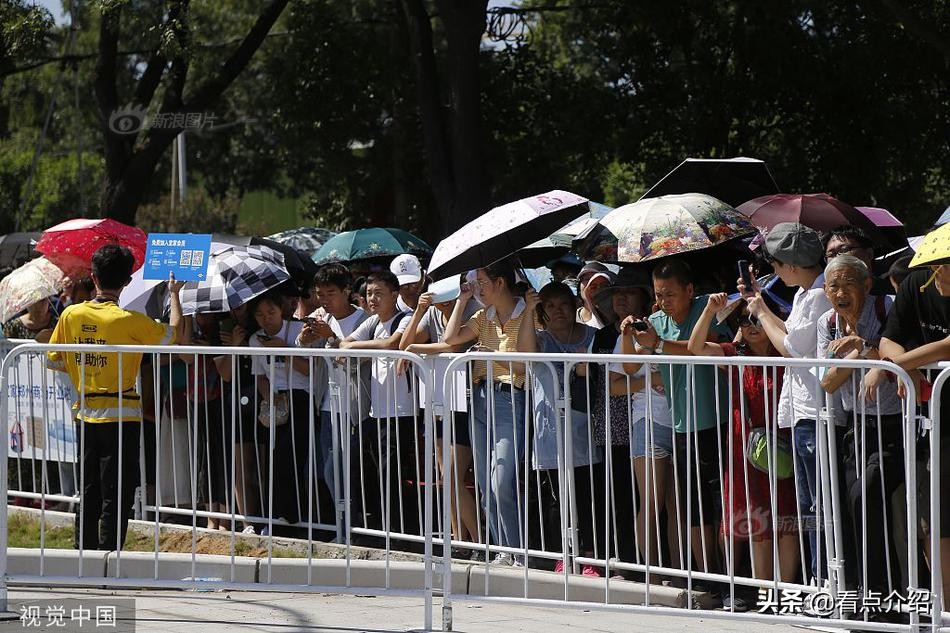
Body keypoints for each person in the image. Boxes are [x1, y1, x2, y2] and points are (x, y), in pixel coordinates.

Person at [47, 244, 185, 550]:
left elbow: (53, 358)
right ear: (126, 282)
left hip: (85, 412)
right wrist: (174, 294)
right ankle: (109, 556)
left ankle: (84, 554)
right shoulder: (128, 320)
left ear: (93, 278)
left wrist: (82, 367)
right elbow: (175, 334)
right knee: (118, 489)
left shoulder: (70, 314)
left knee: (89, 487)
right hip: (122, 416)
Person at [630, 258, 732, 602]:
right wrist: (629, 334)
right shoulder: (655, 320)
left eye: (670, 294)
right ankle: (710, 578)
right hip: (681, 425)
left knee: (723, 505)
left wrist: (657, 344)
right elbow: (631, 365)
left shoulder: (709, 307)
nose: (663, 301)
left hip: (718, 420)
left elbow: (698, 348)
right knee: (693, 507)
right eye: (658, 294)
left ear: (690, 290)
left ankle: (734, 576)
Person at [739, 222, 831, 584]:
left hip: (814, 412)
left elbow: (793, 348)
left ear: (791, 264)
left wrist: (761, 312)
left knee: (815, 506)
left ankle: (825, 582)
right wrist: (761, 304)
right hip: (802, 412)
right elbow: (792, 335)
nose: (774, 270)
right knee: (808, 505)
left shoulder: (820, 295)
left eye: (776, 263)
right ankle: (818, 581)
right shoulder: (805, 294)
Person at [687, 293, 798, 583]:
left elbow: (787, 336)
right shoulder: (735, 354)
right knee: (757, 524)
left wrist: (762, 310)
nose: (750, 326)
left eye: (755, 319)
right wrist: (710, 310)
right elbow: (695, 347)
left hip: (785, 444)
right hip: (746, 448)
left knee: (788, 521)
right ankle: (764, 593)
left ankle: (787, 591)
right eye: (743, 321)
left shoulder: (787, 353)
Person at [817, 254, 903, 597]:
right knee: (854, 503)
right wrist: (858, 355)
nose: (840, 292)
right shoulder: (829, 323)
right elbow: (827, 381)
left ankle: (887, 589)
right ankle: (868, 592)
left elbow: (899, 356)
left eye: (848, 283)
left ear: (867, 285)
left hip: (896, 425)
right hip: (856, 427)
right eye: (833, 286)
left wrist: (866, 347)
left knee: (863, 494)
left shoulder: (888, 308)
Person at [865, 261, 950, 602]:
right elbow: (888, 340)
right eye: (939, 264)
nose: (941, 271)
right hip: (936, 419)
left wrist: (895, 366)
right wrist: (908, 369)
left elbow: (948, 345)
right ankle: (944, 609)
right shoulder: (918, 282)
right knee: (937, 518)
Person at [443, 261, 532, 565]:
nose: (477, 288)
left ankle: (518, 552)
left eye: (481, 282)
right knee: (485, 484)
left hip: (510, 398)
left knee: (501, 481)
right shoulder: (483, 316)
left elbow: (523, 365)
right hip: (480, 399)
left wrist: (492, 356)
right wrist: (462, 300)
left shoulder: (525, 313)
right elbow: (450, 339)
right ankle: (504, 551)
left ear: (500, 283)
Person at [517, 281, 601, 575]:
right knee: (556, 498)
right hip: (550, 432)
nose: (558, 311)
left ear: (574, 305)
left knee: (587, 495)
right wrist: (528, 310)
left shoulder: (592, 336)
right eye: (550, 306)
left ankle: (589, 555)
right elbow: (524, 352)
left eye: (563, 304)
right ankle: (561, 555)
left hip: (585, 431)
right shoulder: (540, 339)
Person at [398, 276, 480, 549]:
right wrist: (419, 311)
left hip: (464, 400)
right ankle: (459, 540)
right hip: (440, 399)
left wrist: (416, 349)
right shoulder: (431, 310)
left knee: (454, 477)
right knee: (445, 477)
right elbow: (403, 346)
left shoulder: (471, 307)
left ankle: (480, 542)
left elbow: (453, 343)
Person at [340, 271, 419, 537]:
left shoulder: (405, 318)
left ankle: (399, 532)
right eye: (369, 293)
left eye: (378, 293)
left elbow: (392, 343)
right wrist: (354, 346)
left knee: (392, 472)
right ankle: (381, 528)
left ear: (395, 295)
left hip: (402, 410)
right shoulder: (372, 321)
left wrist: (356, 346)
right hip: (376, 412)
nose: (372, 299)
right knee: (373, 471)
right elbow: (344, 343)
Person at [298, 263, 370, 524]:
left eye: (330, 293)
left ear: (347, 291)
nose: (325, 300)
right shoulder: (321, 317)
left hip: (355, 406)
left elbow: (353, 360)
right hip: (327, 403)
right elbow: (306, 350)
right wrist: (304, 340)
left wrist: (330, 337)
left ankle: (352, 526)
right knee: (328, 470)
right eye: (320, 294)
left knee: (342, 468)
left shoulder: (364, 319)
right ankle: (342, 526)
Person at [248, 290, 318, 530]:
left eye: (271, 312)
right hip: (275, 401)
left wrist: (282, 349)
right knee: (274, 458)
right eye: (260, 314)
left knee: (291, 457)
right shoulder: (255, 339)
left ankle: (294, 516)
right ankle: (275, 514)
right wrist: (272, 400)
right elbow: (260, 378)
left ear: (281, 311)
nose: (266, 318)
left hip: (300, 396)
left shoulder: (297, 330)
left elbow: (307, 370)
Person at [576, 263, 614, 328]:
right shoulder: (570, 317)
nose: (590, 283)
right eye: (586, 279)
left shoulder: (617, 318)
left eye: (595, 277)